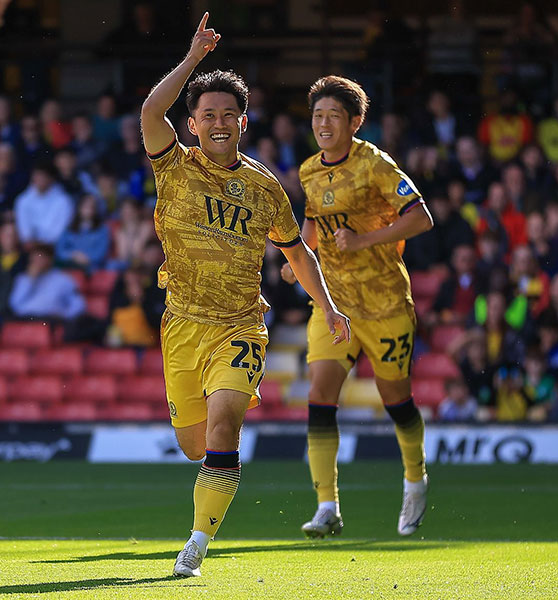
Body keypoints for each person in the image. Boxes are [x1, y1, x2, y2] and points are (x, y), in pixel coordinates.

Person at [140, 14, 349, 578]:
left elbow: (298, 254)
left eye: (229, 114)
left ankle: (197, 543)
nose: (219, 123)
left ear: (243, 122)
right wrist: (191, 61)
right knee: (192, 446)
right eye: (208, 114)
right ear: (194, 123)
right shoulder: (174, 167)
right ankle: (205, 507)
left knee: (224, 427)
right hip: (181, 324)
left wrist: (327, 307)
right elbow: (148, 113)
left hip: (239, 326)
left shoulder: (265, 189)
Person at [280, 74, 433, 541]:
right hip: (333, 304)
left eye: (333, 116)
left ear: (355, 122)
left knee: (397, 402)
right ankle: (327, 505)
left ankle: (415, 478)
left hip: (385, 303)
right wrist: (298, 262)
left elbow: (421, 218)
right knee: (319, 398)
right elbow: (312, 224)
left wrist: (363, 239)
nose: (323, 124)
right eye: (318, 115)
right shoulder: (308, 171)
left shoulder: (376, 165)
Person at [8, 244, 85, 321]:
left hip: (51, 320)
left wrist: (65, 316)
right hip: (26, 320)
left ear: (50, 260)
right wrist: (29, 280)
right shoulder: (23, 279)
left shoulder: (63, 279)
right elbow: (15, 304)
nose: (37, 261)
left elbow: (78, 304)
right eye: (34, 257)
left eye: (40, 257)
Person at [14, 161, 74, 246]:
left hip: (54, 246)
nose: (40, 179)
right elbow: (24, 229)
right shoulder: (23, 200)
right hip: (30, 246)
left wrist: (45, 243)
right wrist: (30, 240)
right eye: (37, 176)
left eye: (43, 176)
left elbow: (61, 230)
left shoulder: (64, 201)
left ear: (52, 178)